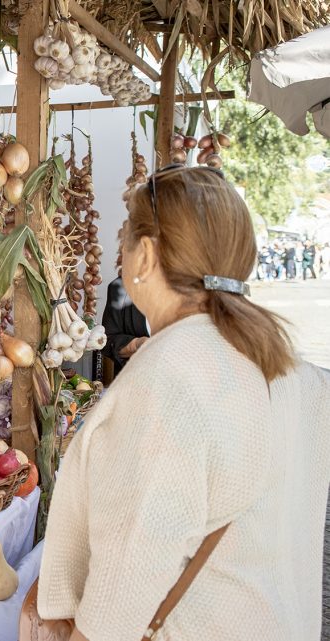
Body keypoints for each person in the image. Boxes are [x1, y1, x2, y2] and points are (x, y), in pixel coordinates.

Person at [36, 165, 330, 639]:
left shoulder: (168, 378)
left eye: (125, 242)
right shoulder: (296, 368)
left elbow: (127, 579)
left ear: (146, 256)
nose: (122, 256)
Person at [100, 274, 148, 373]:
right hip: (134, 380)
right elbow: (107, 341)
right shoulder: (121, 286)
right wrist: (136, 344)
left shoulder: (186, 286)